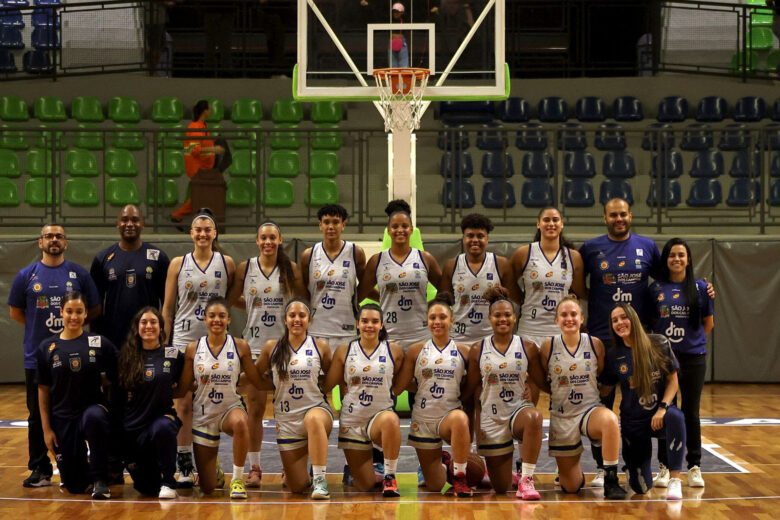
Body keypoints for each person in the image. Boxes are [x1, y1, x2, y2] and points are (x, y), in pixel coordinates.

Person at [8, 224, 100, 488]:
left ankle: (81, 463)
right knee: (37, 414)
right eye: (48, 236)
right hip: (37, 357)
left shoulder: (78, 274)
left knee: (76, 411)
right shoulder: (27, 275)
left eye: (59, 236)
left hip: (76, 357)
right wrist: (42, 332)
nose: (54, 240)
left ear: (66, 243)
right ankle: (40, 468)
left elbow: (93, 308)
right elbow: (16, 313)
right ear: (40, 242)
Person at [161, 210, 235, 486]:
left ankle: (210, 458)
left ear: (215, 234)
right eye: (198, 229)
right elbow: (168, 308)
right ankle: (183, 459)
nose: (203, 234)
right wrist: (165, 345)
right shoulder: (178, 264)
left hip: (214, 343)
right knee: (183, 402)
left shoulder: (226, 263)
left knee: (212, 401)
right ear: (191, 234)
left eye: (208, 229)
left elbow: (228, 303)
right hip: (183, 341)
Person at [228, 221, 303, 487]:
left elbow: (299, 304)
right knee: (256, 409)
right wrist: (251, 307)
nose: (268, 242)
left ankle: (289, 468)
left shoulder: (291, 269)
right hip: (255, 345)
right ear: (257, 241)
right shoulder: (245, 268)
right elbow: (233, 299)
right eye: (264, 238)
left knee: (288, 410)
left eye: (273, 237)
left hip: (284, 348)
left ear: (280, 240)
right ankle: (255, 467)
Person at [539, 295, 627, 500]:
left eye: (573, 314)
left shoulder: (595, 344)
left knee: (610, 420)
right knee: (571, 488)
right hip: (562, 416)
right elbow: (542, 378)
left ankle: (611, 480)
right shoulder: (547, 346)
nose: (569, 318)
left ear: (581, 318)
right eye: (563, 315)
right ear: (556, 320)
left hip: (589, 410)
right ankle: (569, 472)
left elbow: (603, 374)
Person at [176, 297, 262, 499]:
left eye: (222, 316)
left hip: (229, 409)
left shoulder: (240, 346)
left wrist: (281, 380)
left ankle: (238, 480)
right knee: (208, 488)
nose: (217, 320)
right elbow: (184, 386)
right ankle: (215, 469)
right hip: (204, 414)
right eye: (212, 316)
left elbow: (255, 379)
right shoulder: (192, 348)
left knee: (242, 422)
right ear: (205, 319)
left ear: (229, 320)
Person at [464, 287, 544, 500]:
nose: (503, 319)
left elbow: (539, 380)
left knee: (535, 417)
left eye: (507, 315)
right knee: (501, 487)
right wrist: (473, 435)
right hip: (491, 418)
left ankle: (527, 479)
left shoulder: (528, 347)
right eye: (497, 315)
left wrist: (531, 394)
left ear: (515, 318)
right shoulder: (477, 349)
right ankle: (510, 474)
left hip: (517, 411)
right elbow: (472, 393)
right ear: (489, 318)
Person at [601, 303, 687, 500]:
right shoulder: (614, 355)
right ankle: (633, 468)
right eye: (615, 320)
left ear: (633, 318)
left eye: (623, 317)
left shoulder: (659, 343)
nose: (620, 323)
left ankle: (675, 480)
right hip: (633, 422)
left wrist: (663, 408)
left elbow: (673, 381)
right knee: (641, 488)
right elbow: (604, 388)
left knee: (675, 416)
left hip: (658, 415)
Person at [36, 292, 117, 499]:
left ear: (85, 314)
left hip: (92, 410)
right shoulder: (47, 347)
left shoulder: (98, 342)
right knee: (75, 486)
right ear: (61, 312)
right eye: (69, 311)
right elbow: (43, 389)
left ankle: (101, 479)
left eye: (79, 312)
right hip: (63, 416)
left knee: (95, 417)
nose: (74, 316)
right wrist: (46, 430)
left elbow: (118, 373)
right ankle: (82, 474)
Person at [649, 238, 714, 488]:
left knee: (691, 412)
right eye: (672, 255)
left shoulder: (700, 288)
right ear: (666, 260)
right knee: (666, 412)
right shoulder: (655, 289)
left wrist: (691, 344)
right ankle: (665, 466)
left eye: (681, 255)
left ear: (688, 259)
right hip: (664, 359)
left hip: (693, 358)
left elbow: (708, 323)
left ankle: (694, 466)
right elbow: (651, 324)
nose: (676, 259)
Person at [394, 293, 473, 497]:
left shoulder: (464, 351)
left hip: (449, 416)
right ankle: (446, 462)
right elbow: (401, 386)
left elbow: (472, 385)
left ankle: (460, 477)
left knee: (460, 419)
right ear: (427, 321)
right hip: (423, 420)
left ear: (452, 320)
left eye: (442, 317)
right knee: (435, 486)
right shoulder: (415, 351)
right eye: (432, 318)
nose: (437, 322)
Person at [255, 299, 334, 500]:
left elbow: (330, 377)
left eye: (302, 316)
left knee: (314, 419)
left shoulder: (321, 346)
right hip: (287, 420)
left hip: (316, 410)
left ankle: (320, 480)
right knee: (296, 487)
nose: (297, 319)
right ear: (285, 319)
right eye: (292, 315)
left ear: (309, 319)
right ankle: (302, 474)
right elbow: (256, 377)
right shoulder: (271, 347)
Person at [324, 303, 404, 497]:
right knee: (366, 486)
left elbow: (401, 384)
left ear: (382, 325)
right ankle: (355, 470)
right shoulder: (344, 350)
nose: (370, 325)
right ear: (357, 324)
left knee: (391, 420)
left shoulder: (394, 351)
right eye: (365, 321)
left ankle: (389, 476)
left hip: (379, 417)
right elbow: (328, 385)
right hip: (352, 421)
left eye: (375, 321)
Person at [359, 199, 443, 350]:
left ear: (411, 229)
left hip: (421, 335)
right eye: (395, 226)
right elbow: (360, 294)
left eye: (405, 226)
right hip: (388, 336)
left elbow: (445, 290)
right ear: (388, 230)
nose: (400, 230)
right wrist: (384, 296)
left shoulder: (425, 258)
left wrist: (429, 308)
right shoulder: (376, 261)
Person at [118, 307, 183, 499]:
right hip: (133, 428)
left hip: (160, 421)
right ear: (137, 328)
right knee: (147, 488)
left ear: (161, 327)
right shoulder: (126, 357)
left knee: (163, 427)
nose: (149, 326)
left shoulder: (173, 355)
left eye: (153, 322)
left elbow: (186, 384)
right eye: (144, 322)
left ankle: (169, 481)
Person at [90, 205, 170, 351]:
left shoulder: (158, 258)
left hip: (148, 335)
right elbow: (96, 306)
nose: (129, 224)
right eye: (124, 220)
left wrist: (165, 336)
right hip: (114, 337)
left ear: (143, 224)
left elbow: (167, 303)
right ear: (117, 223)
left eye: (135, 220)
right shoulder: (103, 258)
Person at [511, 207, 585, 348]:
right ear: (538, 224)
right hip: (529, 329)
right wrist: (523, 300)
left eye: (555, 220)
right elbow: (509, 284)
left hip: (561, 330)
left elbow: (579, 292)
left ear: (562, 224)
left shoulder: (573, 257)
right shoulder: (524, 253)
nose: (551, 223)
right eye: (546, 220)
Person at [439, 213, 517, 344]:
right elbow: (444, 303)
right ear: (463, 238)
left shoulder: (501, 264)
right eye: (470, 236)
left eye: (480, 236)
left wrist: (501, 295)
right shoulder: (451, 265)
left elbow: (513, 300)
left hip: (491, 337)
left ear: (487, 239)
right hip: (458, 338)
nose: (475, 240)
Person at [300, 204, 367, 347]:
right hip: (316, 330)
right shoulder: (308, 255)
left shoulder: (356, 253)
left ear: (343, 225)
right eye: (326, 222)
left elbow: (365, 286)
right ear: (320, 225)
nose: (331, 226)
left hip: (347, 330)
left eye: (336, 222)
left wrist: (353, 302)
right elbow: (303, 291)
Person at [170, 101, 225, 224]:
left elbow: (202, 145)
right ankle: (177, 214)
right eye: (209, 109)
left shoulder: (203, 126)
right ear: (204, 111)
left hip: (204, 167)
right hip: (196, 168)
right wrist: (214, 149)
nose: (210, 111)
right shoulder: (194, 127)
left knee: (199, 195)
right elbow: (194, 150)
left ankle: (177, 215)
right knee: (200, 195)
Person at [390, 3, 409, 68]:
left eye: (397, 12)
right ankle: (393, 77)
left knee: (404, 65)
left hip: (402, 43)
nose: (395, 13)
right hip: (392, 42)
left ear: (402, 13)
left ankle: (404, 77)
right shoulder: (390, 20)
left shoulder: (404, 20)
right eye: (394, 12)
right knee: (393, 65)